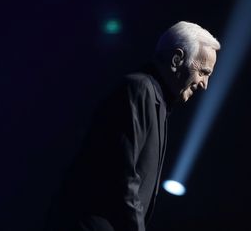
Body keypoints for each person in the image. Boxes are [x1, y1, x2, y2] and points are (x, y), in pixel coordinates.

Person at [43, 21, 220, 231]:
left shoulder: (157, 100)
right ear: (177, 59)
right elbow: (123, 176)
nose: (204, 84)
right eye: (203, 72)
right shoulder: (140, 89)